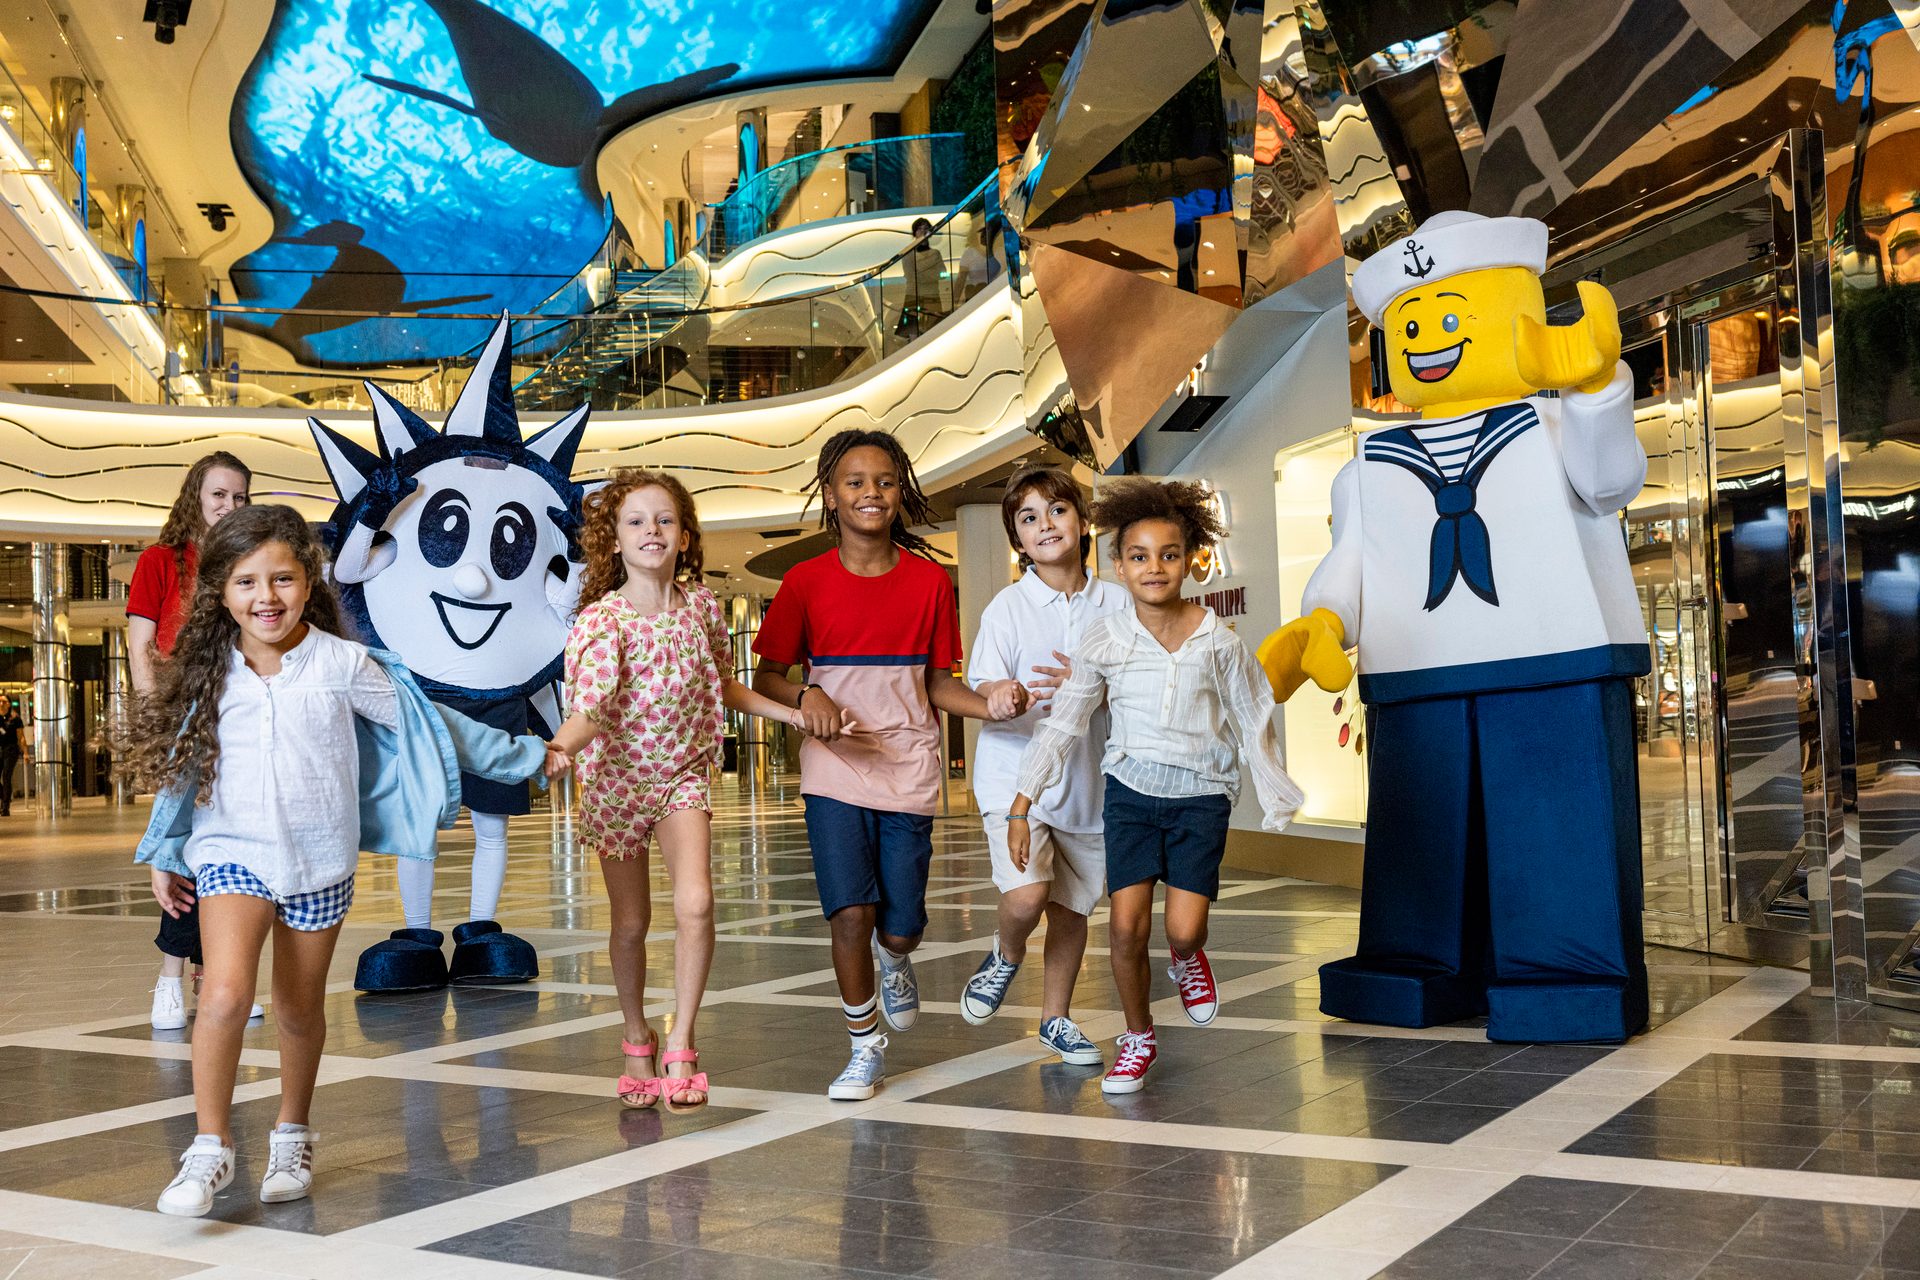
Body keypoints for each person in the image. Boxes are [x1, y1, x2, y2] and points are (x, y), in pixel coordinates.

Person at [125, 505, 564, 1217]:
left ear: (309, 582)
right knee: (228, 994)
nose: (265, 597)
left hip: (320, 862)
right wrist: (162, 849)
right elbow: (183, 765)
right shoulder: (208, 672)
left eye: (281, 578)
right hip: (231, 855)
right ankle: (208, 1150)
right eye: (245, 583)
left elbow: (437, 725)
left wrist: (527, 756)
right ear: (221, 593)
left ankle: (291, 1136)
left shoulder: (343, 664)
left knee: (299, 1012)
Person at [751, 429, 1026, 1101]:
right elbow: (766, 678)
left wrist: (989, 704)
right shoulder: (803, 583)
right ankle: (864, 1046)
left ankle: (895, 961)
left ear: (900, 493)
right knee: (850, 914)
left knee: (898, 925)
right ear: (831, 495)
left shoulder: (930, 583)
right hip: (833, 767)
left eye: (883, 481)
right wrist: (807, 695)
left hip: (908, 765)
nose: (870, 492)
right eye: (854, 481)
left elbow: (937, 683)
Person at [1007, 478, 1303, 1095]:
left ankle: (1190, 960)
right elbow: (1065, 723)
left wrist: (1275, 794)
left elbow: (1254, 717)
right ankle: (1137, 1036)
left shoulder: (1218, 641)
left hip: (1201, 794)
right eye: (1139, 556)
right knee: (1124, 927)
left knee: (1182, 930)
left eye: (1169, 554)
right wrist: (1021, 803)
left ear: (1190, 559)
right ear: (1118, 565)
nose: (1154, 567)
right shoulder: (1107, 639)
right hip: (1131, 793)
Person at [549, 470, 811, 1111]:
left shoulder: (700, 607)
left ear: (686, 535)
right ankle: (634, 1031)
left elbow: (723, 684)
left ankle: (682, 1038)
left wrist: (794, 714)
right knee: (631, 923)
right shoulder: (598, 622)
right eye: (636, 521)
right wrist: (560, 747)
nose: (652, 532)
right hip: (615, 783)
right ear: (614, 539)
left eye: (664, 520)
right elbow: (591, 707)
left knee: (695, 904)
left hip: (682, 777)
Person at [959, 466, 1129, 1066]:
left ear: (1082, 523)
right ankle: (1006, 953)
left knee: (1071, 907)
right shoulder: (1008, 606)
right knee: (1029, 897)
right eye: (1028, 518)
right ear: (1019, 541)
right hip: (1015, 775)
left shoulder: (1118, 600)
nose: (1045, 525)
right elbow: (983, 680)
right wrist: (1001, 693)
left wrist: (1097, 687)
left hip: (1090, 781)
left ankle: (1056, 1018)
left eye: (1056, 510)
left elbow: (1140, 678)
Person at [126, 450, 253, 1031]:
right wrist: (157, 719)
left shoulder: (244, 560)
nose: (230, 506)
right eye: (219, 495)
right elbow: (141, 643)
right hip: (183, 719)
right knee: (176, 846)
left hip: (241, 716)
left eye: (240, 497)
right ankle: (170, 977)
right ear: (195, 498)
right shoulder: (160, 561)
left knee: (231, 848)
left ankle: (222, 978)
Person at [898, 217, 951, 339]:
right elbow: (912, 276)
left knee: (935, 334)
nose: (922, 231)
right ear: (914, 233)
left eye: (926, 228)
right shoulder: (907, 254)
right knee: (914, 335)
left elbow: (942, 274)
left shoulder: (935, 253)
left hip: (933, 297)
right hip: (913, 297)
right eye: (919, 229)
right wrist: (929, 273)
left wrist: (921, 273)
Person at [0, 698, 22, 816]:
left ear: (9, 704)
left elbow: (21, 736)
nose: (1, 704)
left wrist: (26, 752)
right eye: (0, 701)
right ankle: (5, 796)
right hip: (0, 749)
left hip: (11, 749)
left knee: (6, 776)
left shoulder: (15, 719)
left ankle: (5, 806)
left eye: (4, 702)